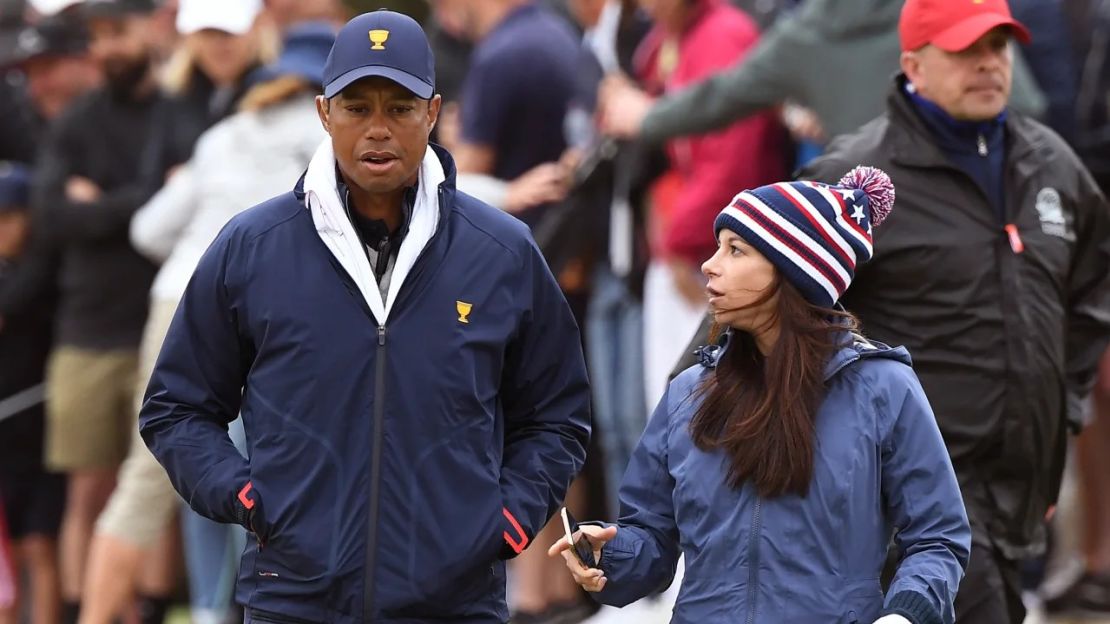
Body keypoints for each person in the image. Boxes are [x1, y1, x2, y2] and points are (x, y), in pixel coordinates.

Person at [139, 10, 591, 623]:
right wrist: (249, 499)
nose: (378, 129)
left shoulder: (502, 251)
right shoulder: (252, 246)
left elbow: (557, 415)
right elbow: (177, 407)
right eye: (357, 108)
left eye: (400, 108)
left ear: (432, 113)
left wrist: (505, 522)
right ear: (324, 113)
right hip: (292, 600)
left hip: (454, 605)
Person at [674, 0, 1110, 620]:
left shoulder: (1054, 165)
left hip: (1018, 489)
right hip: (916, 491)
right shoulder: (857, 184)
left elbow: (1090, 295)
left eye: (999, 48)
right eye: (966, 50)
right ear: (913, 65)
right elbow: (746, 295)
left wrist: (1059, 419)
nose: (988, 65)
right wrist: (687, 422)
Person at [550, 168, 971, 624]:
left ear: (794, 272)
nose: (710, 264)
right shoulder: (689, 392)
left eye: (736, 250)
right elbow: (650, 536)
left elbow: (937, 536)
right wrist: (609, 554)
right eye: (717, 248)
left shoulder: (883, 388)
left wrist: (906, 615)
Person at [80, 23, 335, 624]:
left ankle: (188, 612)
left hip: (177, 291)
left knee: (165, 471)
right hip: (265, 302)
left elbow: (147, 230)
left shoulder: (222, 134)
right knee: (264, 470)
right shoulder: (329, 138)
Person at [5, 1, 164, 620]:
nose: (41, 82)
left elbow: (168, 202)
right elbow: (54, 215)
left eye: (54, 65)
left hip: (154, 322)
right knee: (85, 490)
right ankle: (82, 609)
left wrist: (98, 206)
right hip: (83, 330)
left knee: (155, 481)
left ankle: (144, 607)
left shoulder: (164, 110)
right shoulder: (68, 125)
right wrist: (130, 207)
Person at [0, 162, 62, 624]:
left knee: (38, 543)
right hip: (7, 436)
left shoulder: (46, 271)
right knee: (8, 550)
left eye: (7, 218)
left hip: (40, 429)